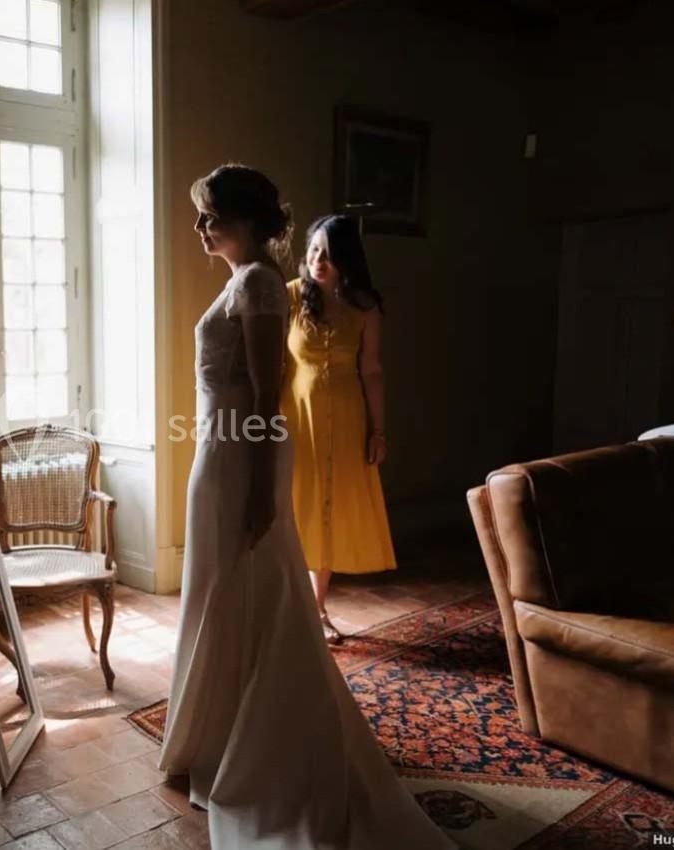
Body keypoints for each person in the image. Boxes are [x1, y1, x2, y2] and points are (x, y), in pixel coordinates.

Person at [157, 164, 453, 850]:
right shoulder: (248, 281)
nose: (202, 227)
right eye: (201, 215)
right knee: (221, 593)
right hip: (223, 450)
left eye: (213, 215)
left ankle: (253, 740)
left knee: (244, 588)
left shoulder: (260, 282)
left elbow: (265, 395)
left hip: (241, 456)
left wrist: (261, 488)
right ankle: (222, 725)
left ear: (251, 222)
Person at [282, 214, 396, 643]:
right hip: (294, 417)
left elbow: (372, 371)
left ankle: (317, 609)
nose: (318, 260)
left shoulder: (365, 307)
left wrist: (378, 431)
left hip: (346, 420)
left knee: (328, 507)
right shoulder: (290, 297)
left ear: (346, 258)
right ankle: (287, 608)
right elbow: (272, 363)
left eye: (328, 254)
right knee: (294, 505)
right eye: (313, 250)